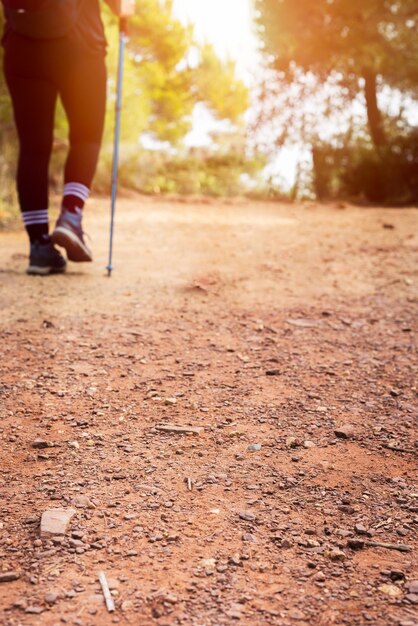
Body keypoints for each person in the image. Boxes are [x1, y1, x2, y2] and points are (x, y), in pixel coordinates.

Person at [1, 0, 134, 275]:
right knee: (87, 136)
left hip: (21, 45)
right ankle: (71, 216)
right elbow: (123, 5)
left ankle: (39, 247)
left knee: (33, 148)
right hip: (78, 43)